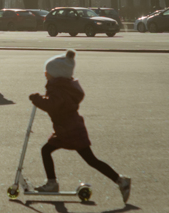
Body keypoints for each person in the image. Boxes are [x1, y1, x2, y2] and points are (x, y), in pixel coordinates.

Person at [29, 50, 132, 204]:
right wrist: (42, 98)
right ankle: (120, 180)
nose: (45, 74)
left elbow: (53, 105)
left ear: (55, 75)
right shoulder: (63, 87)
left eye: (47, 72)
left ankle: (52, 183)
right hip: (70, 128)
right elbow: (57, 102)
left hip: (68, 130)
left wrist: (37, 99)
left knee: (51, 151)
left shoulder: (57, 88)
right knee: (89, 159)